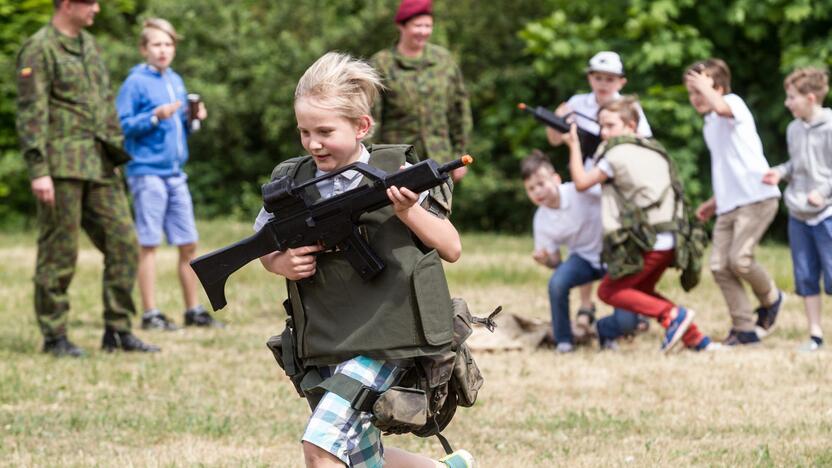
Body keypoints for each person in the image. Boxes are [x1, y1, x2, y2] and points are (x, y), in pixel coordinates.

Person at [254, 52, 474, 468]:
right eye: (304, 131)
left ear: (362, 127)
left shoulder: (395, 172)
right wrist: (279, 263)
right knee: (358, 456)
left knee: (320, 449)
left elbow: (451, 247)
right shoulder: (291, 184)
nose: (313, 143)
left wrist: (409, 212)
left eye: (325, 131)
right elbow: (263, 243)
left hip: (387, 338)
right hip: (327, 339)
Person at [16, 0, 158, 356]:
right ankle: (54, 335)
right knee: (59, 252)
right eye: (90, 2)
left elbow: (104, 105)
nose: (96, 8)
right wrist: (39, 170)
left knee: (124, 242)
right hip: (61, 165)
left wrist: (113, 155)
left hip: (99, 163)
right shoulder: (40, 47)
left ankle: (118, 330)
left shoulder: (90, 46)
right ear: (67, 4)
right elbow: (32, 111)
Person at [562, 96, 717, 353]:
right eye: (602, 126)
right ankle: (695, 338)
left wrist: (573, 145)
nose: (604, 132)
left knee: (609, 291)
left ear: (631, 126)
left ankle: (673, 315)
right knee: (638, 290)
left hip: (651, 240)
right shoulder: (653, 148)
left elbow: (581, 183)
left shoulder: (616, 154)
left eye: (611, 125)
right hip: (673, 238)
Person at [116, 18, 222, 330]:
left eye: (168, 44)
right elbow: (121, 126)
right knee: (148, 244)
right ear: (144, 49)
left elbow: (177, 132)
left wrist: (192, 120)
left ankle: (193, 310)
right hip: (146, 172)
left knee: (188, 243)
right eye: (156, 45)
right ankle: (151, 314)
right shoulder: (135, 82)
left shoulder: (175, 80)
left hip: (176, 173)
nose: (163, 50)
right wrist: (153, 116)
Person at [685, 58, 785, 346]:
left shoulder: (733, 104)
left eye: (700, 90)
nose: (695, 98)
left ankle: (771, 298)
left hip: (757, 198)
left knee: (739, 260)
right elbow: (729, 168)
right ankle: (744, 329)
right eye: (691, 93)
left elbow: (721, 106)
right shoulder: (709, 124)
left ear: (718, 87)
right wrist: (713, 202)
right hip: (729, 204)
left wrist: (707, 88)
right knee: (718, 266)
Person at [521, 150, 643, 352]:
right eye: (531, 189)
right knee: (557, 283)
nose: (538, 192)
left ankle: (606, 329)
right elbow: (556, 262)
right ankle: (564, 341)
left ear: (556, 178)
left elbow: (613, 200)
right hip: (583, 259)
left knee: (627, 322)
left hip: (613, 255)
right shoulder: (541, 219)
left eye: (541, 184)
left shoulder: (580, 191)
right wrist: (545, 260)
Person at [763, 67, 832, 352]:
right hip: (798, 212)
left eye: (792, 98)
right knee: (804, 275)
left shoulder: (830, 127)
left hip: (827, 213)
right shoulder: (793, 129)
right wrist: (779, 173)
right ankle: (815, 335)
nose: (787, 103)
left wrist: (823, 192)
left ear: (811, 98)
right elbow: (797, 166)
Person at [370, 0, 472, 182]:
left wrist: (460, 153)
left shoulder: (443, 60)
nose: (423, 31)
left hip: (440, 158)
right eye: (418, 26)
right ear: (401, 26)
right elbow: (371, 118)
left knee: (438, 210)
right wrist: (370, 160)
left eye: (428, 26)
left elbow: (460, 110)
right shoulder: (382, 64)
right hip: (398, 162)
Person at [546, 51, 652, 150]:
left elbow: (645, 139)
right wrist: (556, 120)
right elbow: (555, 141)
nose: (603, 84)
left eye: (610, 79)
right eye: (598, 78)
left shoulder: (629, 106)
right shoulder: (576, 103)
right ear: (589, 78)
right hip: (586, 166)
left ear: (621, 82)